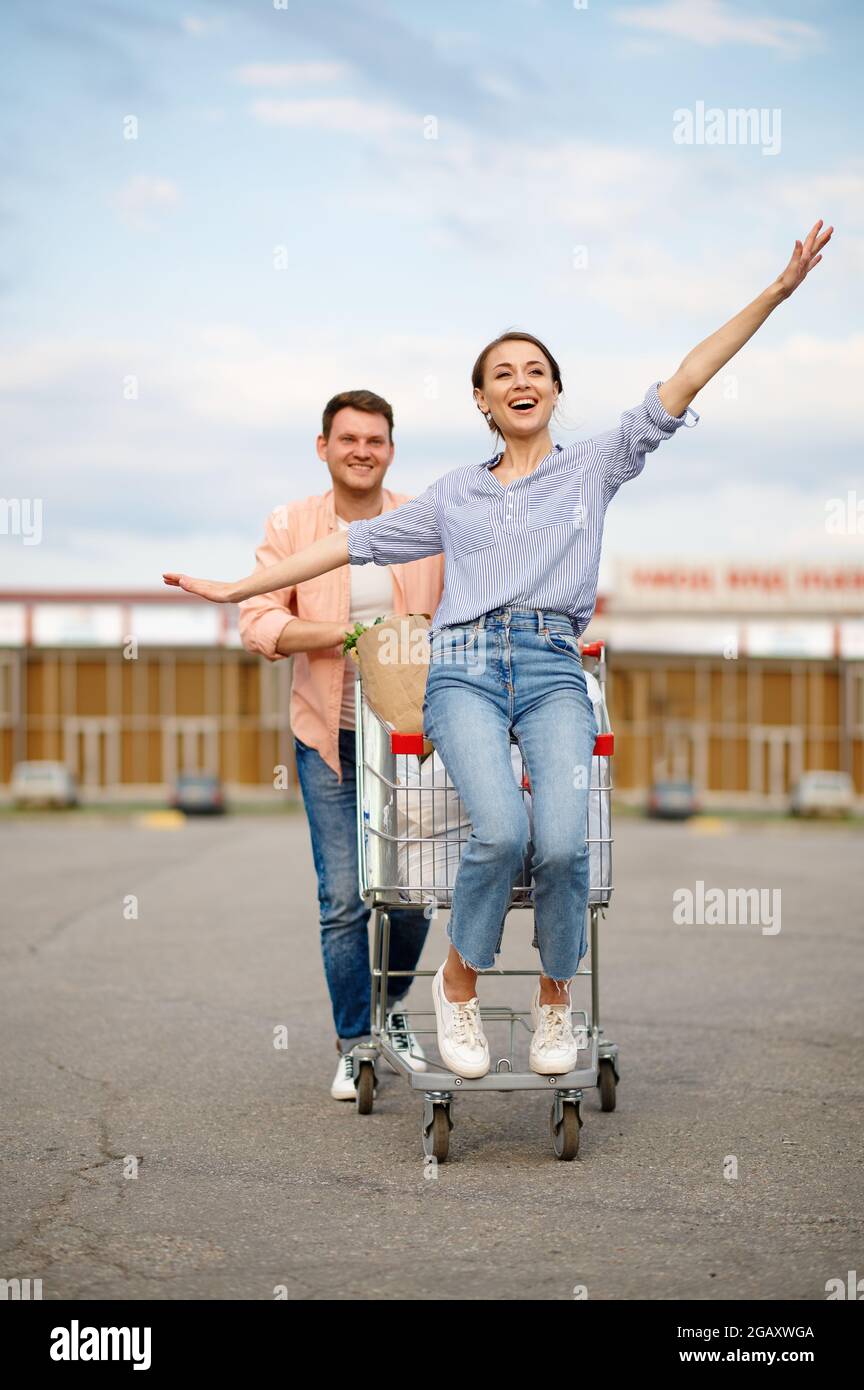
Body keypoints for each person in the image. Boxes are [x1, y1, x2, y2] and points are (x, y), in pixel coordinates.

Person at [164, 219, 833, 1080]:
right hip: (466, 670)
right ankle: (459, 980)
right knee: (503, 829)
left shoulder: (596, 464)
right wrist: (236, 588)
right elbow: (347, 545)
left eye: (535, 371)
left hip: (555, 666)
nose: (521, 382)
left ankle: (557, 1003)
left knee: (560, 843)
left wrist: (775, 294)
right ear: (482, 401)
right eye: (502, 374)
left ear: (556, 391)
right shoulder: (452, 497)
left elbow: (688, 375)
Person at [235, 389, 444, 1098]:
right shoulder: (292, 525)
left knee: (413, 895)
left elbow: (454, 613)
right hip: (331, 738)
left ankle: (386, 1014)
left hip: (414, 739)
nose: (362, 451)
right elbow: (261, 622)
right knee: (344, 900)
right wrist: (346, 637)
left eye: (376, 440)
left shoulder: (421, 522)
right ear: (322, 447)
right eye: (348, 439)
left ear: (390, 450)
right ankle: (355, 1044)